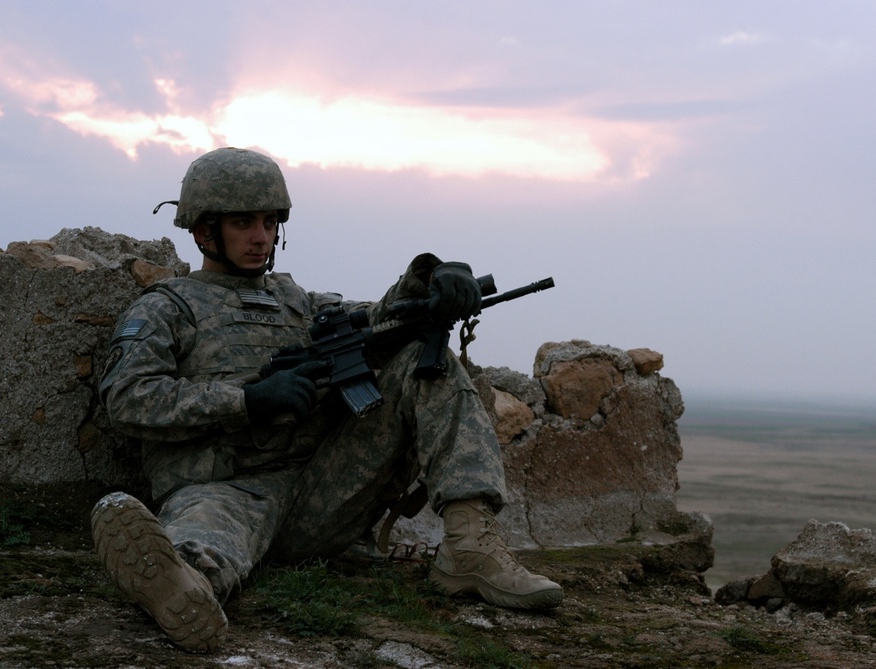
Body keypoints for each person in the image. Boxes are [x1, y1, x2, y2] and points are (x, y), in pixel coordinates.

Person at [92, 147, 563, 653]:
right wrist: (245, 400)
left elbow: (378, 319)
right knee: (200, 550)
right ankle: (178, 585)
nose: (260, 236)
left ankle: (469, 547)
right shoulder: (168, 307)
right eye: (243, 222)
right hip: (227, 490)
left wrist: (430, 279)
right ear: (205, 231)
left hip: (325, 491)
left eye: (270, 222)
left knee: (425, 357)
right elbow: (127, 397)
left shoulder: (299, 302)